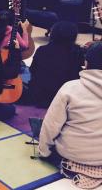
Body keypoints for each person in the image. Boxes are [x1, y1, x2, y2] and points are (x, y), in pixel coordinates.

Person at [38, 42, 102, 188]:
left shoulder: (71, 88)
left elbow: (50, 125)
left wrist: (44, 152)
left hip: (72, 155)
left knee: (44, 127)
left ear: (86, 62)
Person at [21, 21, 84, 108]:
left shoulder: (42, 50)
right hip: (63, 96)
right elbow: (77, 77)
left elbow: (33, 70)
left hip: (38, 94)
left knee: (23, 70)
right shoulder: (78, 53)